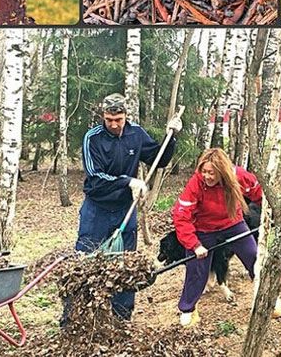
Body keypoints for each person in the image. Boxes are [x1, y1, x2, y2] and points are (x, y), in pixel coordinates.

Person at [72, 93, 182, 321]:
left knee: (125, 264)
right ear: (103, 116)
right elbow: (95, 178)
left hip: (125, 209)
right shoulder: (92, 138)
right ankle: (78, 316)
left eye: (118, 119)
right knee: (86, 261)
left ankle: (121, 318)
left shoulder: (136, 134)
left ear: (125, 116)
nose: (113, 124)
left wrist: (171, 138)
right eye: (109, 119)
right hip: (97, 210)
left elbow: (159, 159)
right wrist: (128, 181)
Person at [172, 148, 263, 327]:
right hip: (203, 228)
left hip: (233, 222)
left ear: (222, 171)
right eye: (203, 171)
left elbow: (259, 192)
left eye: (211, 173)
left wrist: (270, 211)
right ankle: (188, 309)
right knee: (196, 268)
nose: (206, 176)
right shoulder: (196, 183)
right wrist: (194, 244)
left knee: (254, 256)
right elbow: (181, 216)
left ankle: (268, 299)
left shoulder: (238, 176)